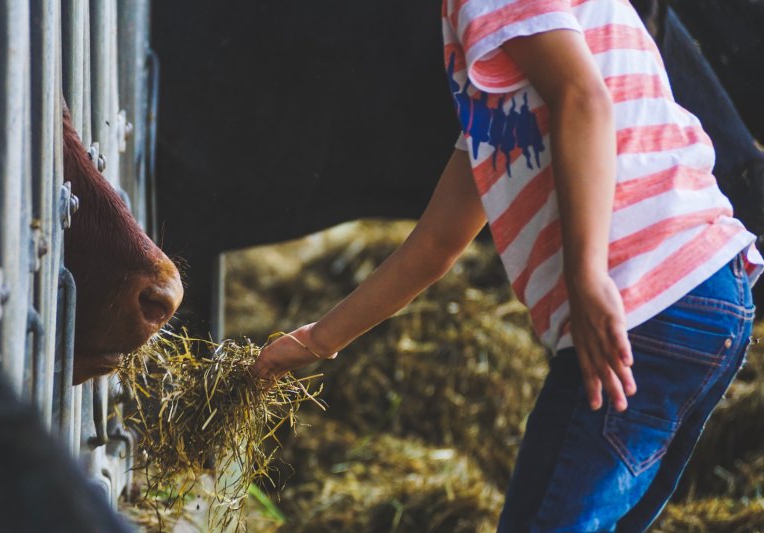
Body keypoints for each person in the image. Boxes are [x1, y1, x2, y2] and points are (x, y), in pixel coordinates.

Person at [252, 0, 762, 530]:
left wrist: (587, 278)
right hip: (701, 293)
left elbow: (583, 99)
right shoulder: (504, 72)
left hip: (640, 300)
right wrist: (315, 341)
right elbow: (435, 244)